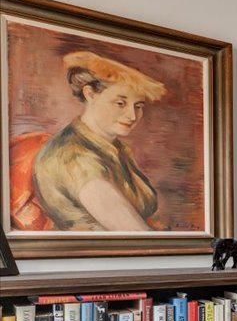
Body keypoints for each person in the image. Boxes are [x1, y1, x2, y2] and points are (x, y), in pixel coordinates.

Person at [33, 51, 166, 231]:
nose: (133, 115)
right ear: (90, 94)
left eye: (139, 106)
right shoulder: (73, 156)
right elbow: (136, 234)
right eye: (120, 103)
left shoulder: (114, 148)